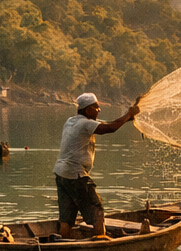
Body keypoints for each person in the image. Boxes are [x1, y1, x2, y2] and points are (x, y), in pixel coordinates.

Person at [54, 92, 140, 240]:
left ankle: (63, 242)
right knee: (97, 210)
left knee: (66, 217)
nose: (99, 110)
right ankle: (100, 240)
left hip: (61, 173)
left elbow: (109, 124)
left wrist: (128, 117)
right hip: (76, 174)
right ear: (88, 110)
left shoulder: (71, 121)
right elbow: (110, 128)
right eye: (96, 107)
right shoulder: (85, 124)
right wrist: (128, 114)